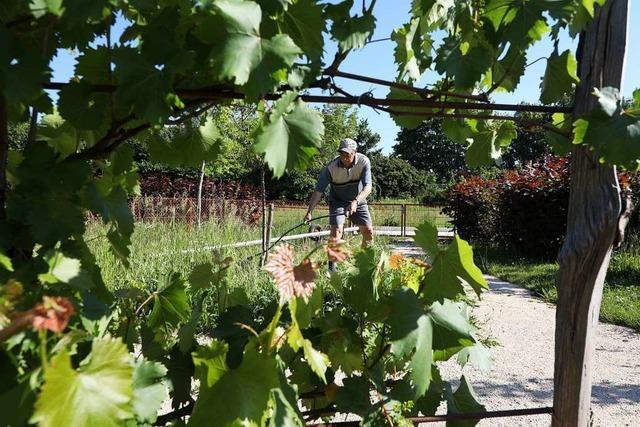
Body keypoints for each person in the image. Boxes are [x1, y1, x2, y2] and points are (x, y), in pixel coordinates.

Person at [304, 138, 374, 270]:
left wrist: (355, 201)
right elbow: (318, 191)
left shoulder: (364, 162)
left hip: (358, 199)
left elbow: (368, 187)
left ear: (355, 152)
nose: (344, 157)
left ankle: (364, 262)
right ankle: (332, 268)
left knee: (368, 231)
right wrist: (309, 212)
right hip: (338, 201)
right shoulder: (331, 168)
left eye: (347, 154)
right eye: (342, 153)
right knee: (336, 231)